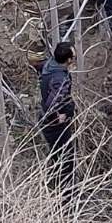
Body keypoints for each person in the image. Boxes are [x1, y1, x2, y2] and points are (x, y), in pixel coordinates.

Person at [39, 41, 77, 182]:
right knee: (66, 161)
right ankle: (66, 197)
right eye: (73, 56)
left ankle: (54, 185)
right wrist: (59, 116)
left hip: (48, 123)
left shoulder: (50, 66)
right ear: (68, 60)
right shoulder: (60, 79)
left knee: (57, 156)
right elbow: (51, 104)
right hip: (55, 125)